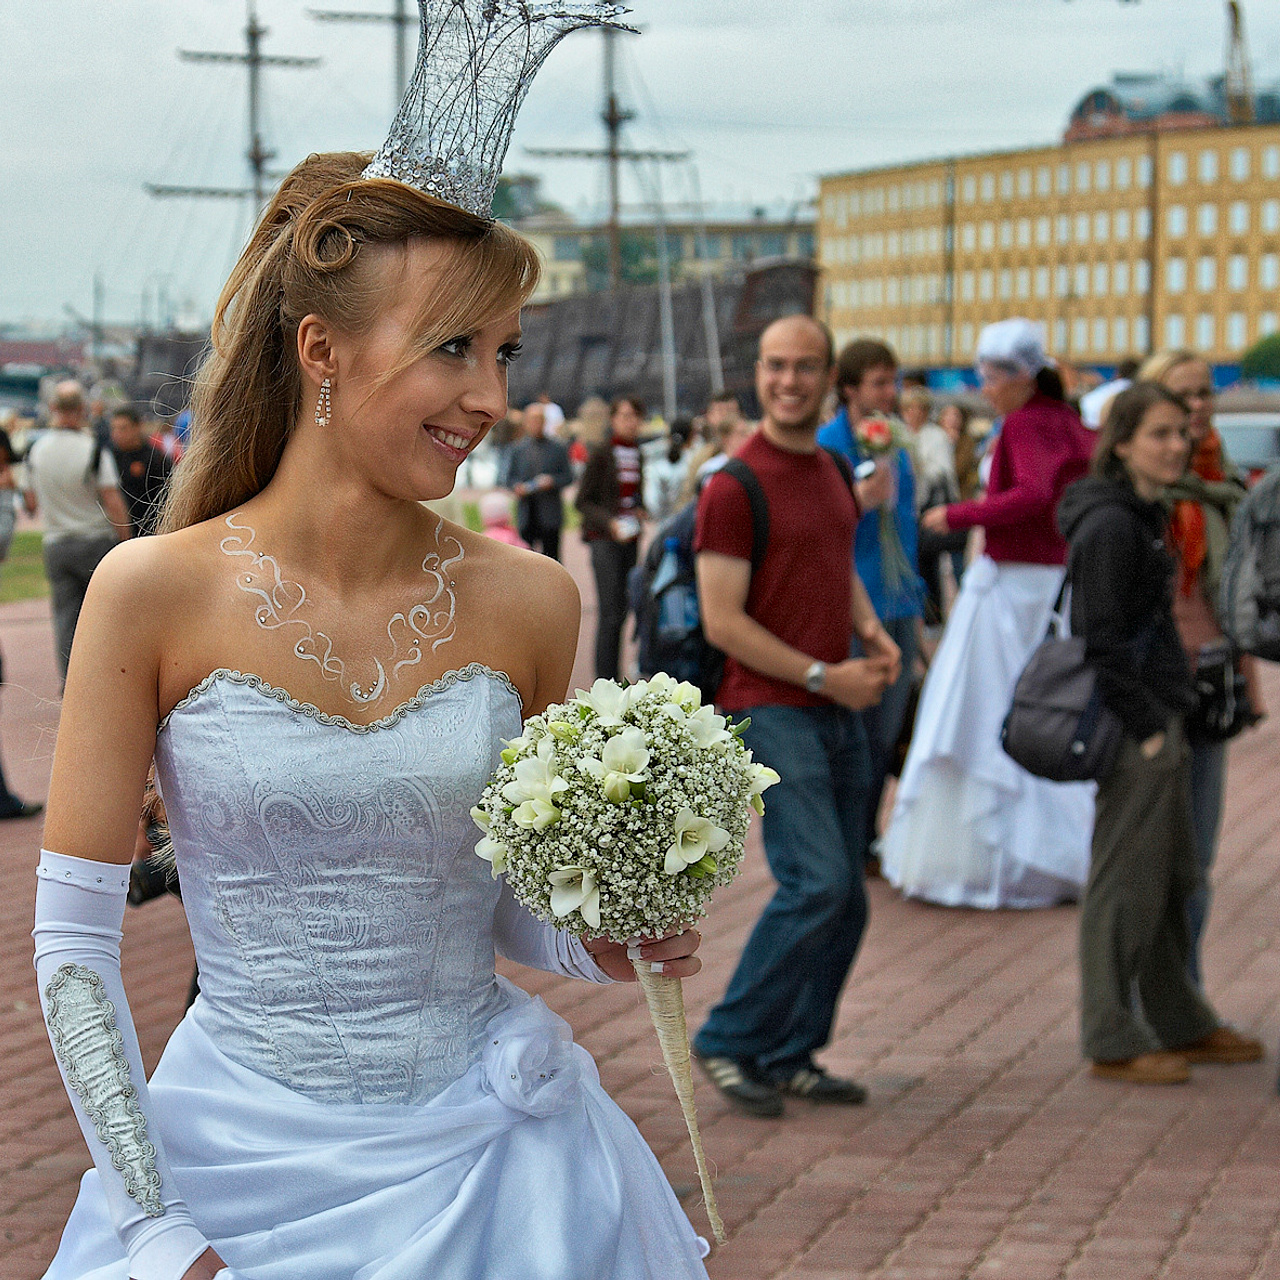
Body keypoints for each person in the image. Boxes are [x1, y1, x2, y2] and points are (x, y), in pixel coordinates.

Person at [33, 151, 709, 1280]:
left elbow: (498, 903)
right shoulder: (151, 591)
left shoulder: (534, 598)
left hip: (502, 1174)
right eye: (453, 346)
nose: (490, 397)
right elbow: (72, 947)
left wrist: (591, 943)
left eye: (505, 352)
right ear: (321, 350)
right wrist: (152, 1226)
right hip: (230, 1173)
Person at [690, 315, 901, 1117]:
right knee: (817, 882)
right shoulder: (731, 483)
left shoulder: (833, 468)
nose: (789, 381)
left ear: (829, 379)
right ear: (758, 373)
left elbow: (834, 562)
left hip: (838, 700)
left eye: (805, 367)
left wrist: (872, 634)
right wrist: (824, 673)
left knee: (847, 894)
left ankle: (791, 1051)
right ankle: (730, 1037)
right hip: (771, 706)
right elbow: (723, 621)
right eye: (776, 365)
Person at [1057, 382, 1263, 1083]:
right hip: (1134, 724)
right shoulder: (1112, 524)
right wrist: (1147, 729)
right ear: (1122, 443)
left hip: (1162, 713)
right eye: (1160, 435)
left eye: (1181, 433)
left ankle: (1180, 1016)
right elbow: (1101, 639)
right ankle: (1111, 1034)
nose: (1177, 445)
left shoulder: (1145, 511)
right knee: (1127, 879)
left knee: (1175, 874)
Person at [882, 320, 1096, 909]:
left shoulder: (1027, 422)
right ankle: (1044, 848)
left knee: (984, 709)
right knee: (1036, 703)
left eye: (992, 375)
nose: (985, 386)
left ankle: (998, 857)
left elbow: (1033, 493)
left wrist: (958, 515)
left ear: (1021, 376)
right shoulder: (1066, 421)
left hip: (1011, 584)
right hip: (1047, 580)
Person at [1139, 349, 1263, 985]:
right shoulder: (1140, 495)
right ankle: (1145, 1002)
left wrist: (1250, 679)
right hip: (1154, 686)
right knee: (1153, 854)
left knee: (1200, 853)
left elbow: (1238, 595)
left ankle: (1187, 994)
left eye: (1205, 394)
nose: (1197, 408)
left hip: (1212, 677)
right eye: (1182, 396)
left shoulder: (1225, 487)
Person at [818, 339, 923, 854]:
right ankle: (846, 837)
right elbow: (817, 529)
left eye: (893, 381)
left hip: (901, 600)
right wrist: (859, 501)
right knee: (853, 729)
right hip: (854, 605)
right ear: (850, 387)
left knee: (887, 729)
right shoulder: (828, 445)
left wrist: (919, 597)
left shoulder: (897, 443)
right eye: (879, 382)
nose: (890, 392)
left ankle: (866, 834)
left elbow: (906, 524)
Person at [23, 381, 131, 681]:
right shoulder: (94, 449)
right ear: (82, 409)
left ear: (53, 409)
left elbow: (30, 502)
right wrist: (125, 541)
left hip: (57, 542)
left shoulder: (36, 449)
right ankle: (102, 679)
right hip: (95, 541)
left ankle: (69, 682)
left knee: (64, 617)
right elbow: (112, 501)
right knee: (102, 617)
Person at [575, 395, 647, 681]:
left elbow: (631, 495)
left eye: (635, 416)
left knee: (623, 609)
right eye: (625, 416)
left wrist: (640, 510)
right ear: (613, 420)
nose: (631, 422)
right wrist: (610, 522)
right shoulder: (602, 453)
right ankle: (605, 680)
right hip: (604, 540)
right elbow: (583, 501)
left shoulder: (638, 453)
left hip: (630, 538)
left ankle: (616, 678)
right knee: (609, 612)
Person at [505, 401, 573, 560]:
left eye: (539, 420)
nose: (536, 424)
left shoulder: (558, 448)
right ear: (526, 422)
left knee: (552, 559)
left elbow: (569, 477)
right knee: (525, 560)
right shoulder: (518, 449)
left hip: (549, 515)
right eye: (532, 420)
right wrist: (517, 487)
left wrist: (553, 482)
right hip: (526, 513)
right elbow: (508, 478)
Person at [109, 406, 174, 537]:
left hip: (149, 532)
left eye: (123, 428)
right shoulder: (109, 458)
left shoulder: (155, 459)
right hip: (117, 533)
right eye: (114, 429)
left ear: (137, 427)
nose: (117, 434)